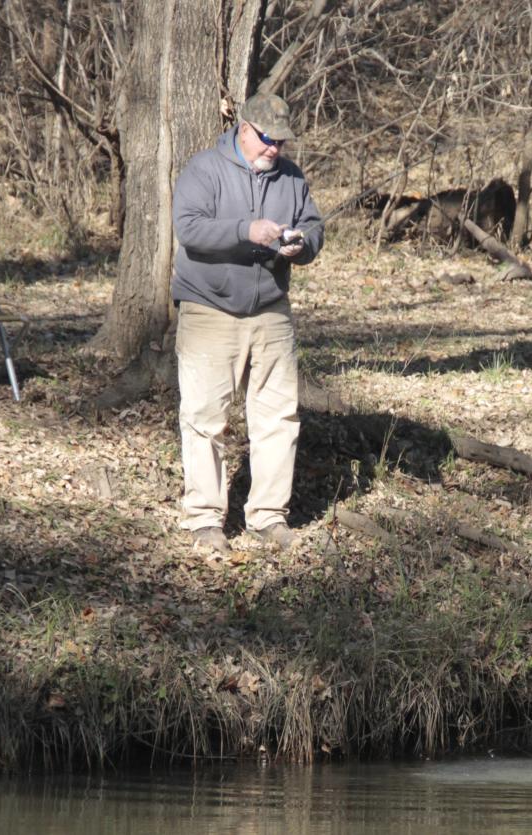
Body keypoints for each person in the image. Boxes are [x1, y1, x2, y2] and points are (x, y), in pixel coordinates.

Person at [170, 92, 324, 556]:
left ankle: (268, 518)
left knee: (279, 417)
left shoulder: (291, 178)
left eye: (281, 141)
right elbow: (189, 227)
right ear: (243, 129)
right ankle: (204, 520)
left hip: (272, 310)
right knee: (205, 418)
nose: (274, 148)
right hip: (208, 309)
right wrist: (246, 230)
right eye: (267, 138)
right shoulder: (205, 169)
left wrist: (303, 245)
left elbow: (314, 226)